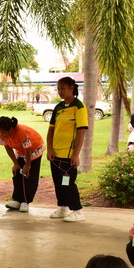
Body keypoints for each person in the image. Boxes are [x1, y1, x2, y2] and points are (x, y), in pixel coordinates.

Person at [47, 76, 88, 222]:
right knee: (58, 183)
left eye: (63, 88)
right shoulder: (58, 107)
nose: (60, 92)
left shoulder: (79, 107)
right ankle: (63, 208)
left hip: (68, 155)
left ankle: (78, 211)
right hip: (55, 154)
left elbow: (81, 132)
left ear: (71, 88)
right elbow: (51, 130)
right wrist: (50, 149)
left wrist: (76, 154)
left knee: (68, 183)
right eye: (58, 89)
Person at [0, 116, 45, 212]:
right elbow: (8, 148)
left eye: (3, 132)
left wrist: (28, 165)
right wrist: (15, 163)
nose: (1, 134)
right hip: (20, 151)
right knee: (17, 173)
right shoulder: (1, 132)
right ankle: (17, 199)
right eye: (0, 131)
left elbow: (27, 149)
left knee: (29, 175)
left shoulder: (21, 132)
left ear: (11, 129)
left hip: (34, 149)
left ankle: (25, 201)